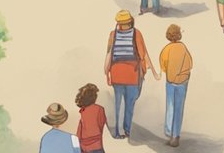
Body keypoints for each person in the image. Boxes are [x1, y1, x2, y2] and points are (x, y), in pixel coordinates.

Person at [105, 10, 157, 140]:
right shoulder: (136, 33)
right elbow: (143, 54)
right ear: (130, 21)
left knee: (118, 104)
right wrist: (153, 70)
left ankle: (118, 132)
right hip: (132, 75)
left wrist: (107, 73)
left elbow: (108, 55)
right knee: (129, 104)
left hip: (116, 74)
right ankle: (126, 130)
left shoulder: (113, 35)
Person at [159, 24, 192, 147]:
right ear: (179, 35)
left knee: (170, 107)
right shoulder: (183, 47)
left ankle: (169, 132)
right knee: (179, 108)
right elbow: (190, 63)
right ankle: (176, 135)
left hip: (170, 82)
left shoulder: (166, 49)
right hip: (183, 82)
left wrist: (171, 71)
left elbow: (163, 66)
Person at [74, 83, 107, 153]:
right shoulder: (99, 109)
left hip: (84, 146)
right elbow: (102, 124)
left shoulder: (82, 111)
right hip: (97, 144)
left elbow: (79, 132)